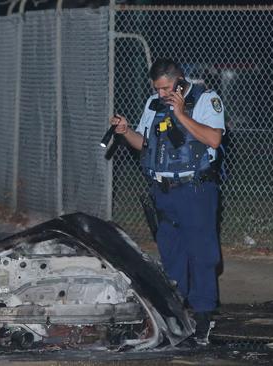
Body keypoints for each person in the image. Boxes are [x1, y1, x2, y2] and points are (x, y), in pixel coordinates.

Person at [111, 59, 225, 346]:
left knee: (201, 254)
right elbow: (145, 146)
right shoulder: (153, 103)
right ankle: (174, 315)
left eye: (165, 88)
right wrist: (126, 132)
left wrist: (181, 113)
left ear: (179, 80)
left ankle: (203, 317)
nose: (161, 94)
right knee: (171, 255)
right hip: (163, 191)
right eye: (157, 89)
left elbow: (213, 139)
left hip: (195, 190)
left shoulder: (205, 100)